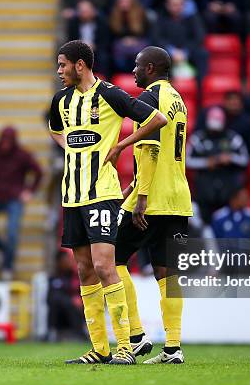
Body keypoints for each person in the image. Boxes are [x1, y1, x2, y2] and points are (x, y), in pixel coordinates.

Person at [48, 40, 166, 365]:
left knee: (104, 266)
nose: (59, 71)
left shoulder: (110, 94)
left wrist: (120, 146)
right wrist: (73, 150)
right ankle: (99, 349)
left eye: (62, 65)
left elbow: (157, 119)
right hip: (72, 196)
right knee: (84, 271)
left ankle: (126, 347)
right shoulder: (61, 101)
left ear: (80, 65)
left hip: (102, 193)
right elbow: (55, 130)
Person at [114, 46, 192, 364]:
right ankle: (172, 347)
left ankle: (135, 336)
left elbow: (150, 150)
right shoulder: (178, 99)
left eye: (136, 66)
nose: (132, 71)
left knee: (111, 259)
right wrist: (133, 184)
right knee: (167, 272)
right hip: (178, 198)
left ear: (150, 67)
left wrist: (140, 196)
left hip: (152, 200)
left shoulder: (148, 99)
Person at [0, 126, 43, 278]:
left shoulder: (22, 155)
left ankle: (7, 266)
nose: (5, 144)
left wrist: (30, 191)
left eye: (9, 141)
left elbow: (39, 172)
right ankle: (4, 250)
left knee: (12, 233)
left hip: (14, 199)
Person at [186, 106, 249, 224]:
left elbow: (245, 160)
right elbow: (187, 161)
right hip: (204, 189)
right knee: (204, 223)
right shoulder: (198, 138)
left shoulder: (233, 138)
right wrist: (206, 163)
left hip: (227, 188)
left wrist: (231, 158)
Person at [47, 250, 87, 342]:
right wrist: (70, 300)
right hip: (60, 313)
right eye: (66, 260)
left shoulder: (75, 275)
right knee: (57, 301)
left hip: (78, 309)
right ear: (59, 262)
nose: (69, 262)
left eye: (69, 260)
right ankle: (53, 332)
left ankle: (81, 333)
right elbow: (50, 298)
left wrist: (79, 299)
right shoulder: (54, 277)